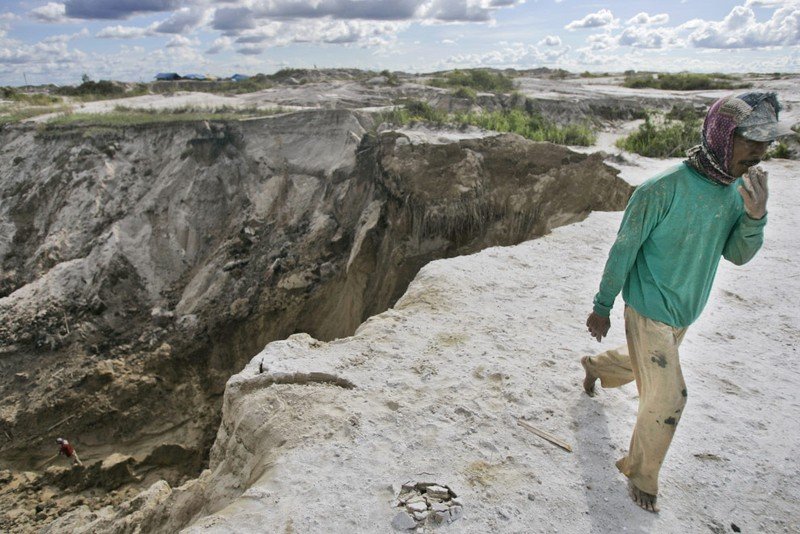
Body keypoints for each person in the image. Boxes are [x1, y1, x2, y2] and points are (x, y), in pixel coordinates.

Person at [580, 91, 793, 513]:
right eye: (749, 140)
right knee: (668, 397)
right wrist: (602, 306)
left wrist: (754, 217)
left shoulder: (735, 193)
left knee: (640, 363)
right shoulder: (661, 190)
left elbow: (737, 254)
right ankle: (640, 473)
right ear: (721, 135)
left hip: (685, 312)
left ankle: (595, 367)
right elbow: (623, 250)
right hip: (647, 310)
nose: (759, 153)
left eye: (766, 142)